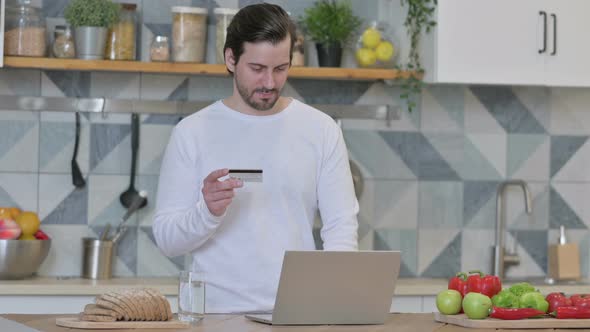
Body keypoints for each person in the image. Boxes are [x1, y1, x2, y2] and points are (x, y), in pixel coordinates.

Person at [153, 3, 359, 313]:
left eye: (281, 68)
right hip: (214, 316)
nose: (270, 83)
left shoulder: (321, 130)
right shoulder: (191, 132)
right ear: (231, 58)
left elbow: (341, 229)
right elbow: (167, 241)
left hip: (296, 315)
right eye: (258, 68)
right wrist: (206, 212)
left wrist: (332, 304)